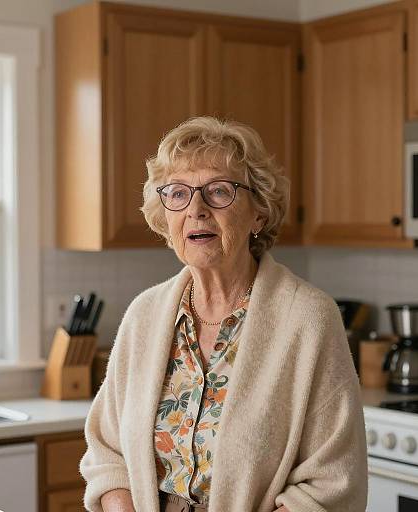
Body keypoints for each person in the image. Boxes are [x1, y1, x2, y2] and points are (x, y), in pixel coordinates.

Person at [79, 117, 368, 512]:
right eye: (178, 193)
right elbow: (108, 455)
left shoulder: (308, 319)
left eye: (219, 191)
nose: (196, 209)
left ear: (259, 213)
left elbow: (333, 482)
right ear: (166, 217)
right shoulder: (144, 315)